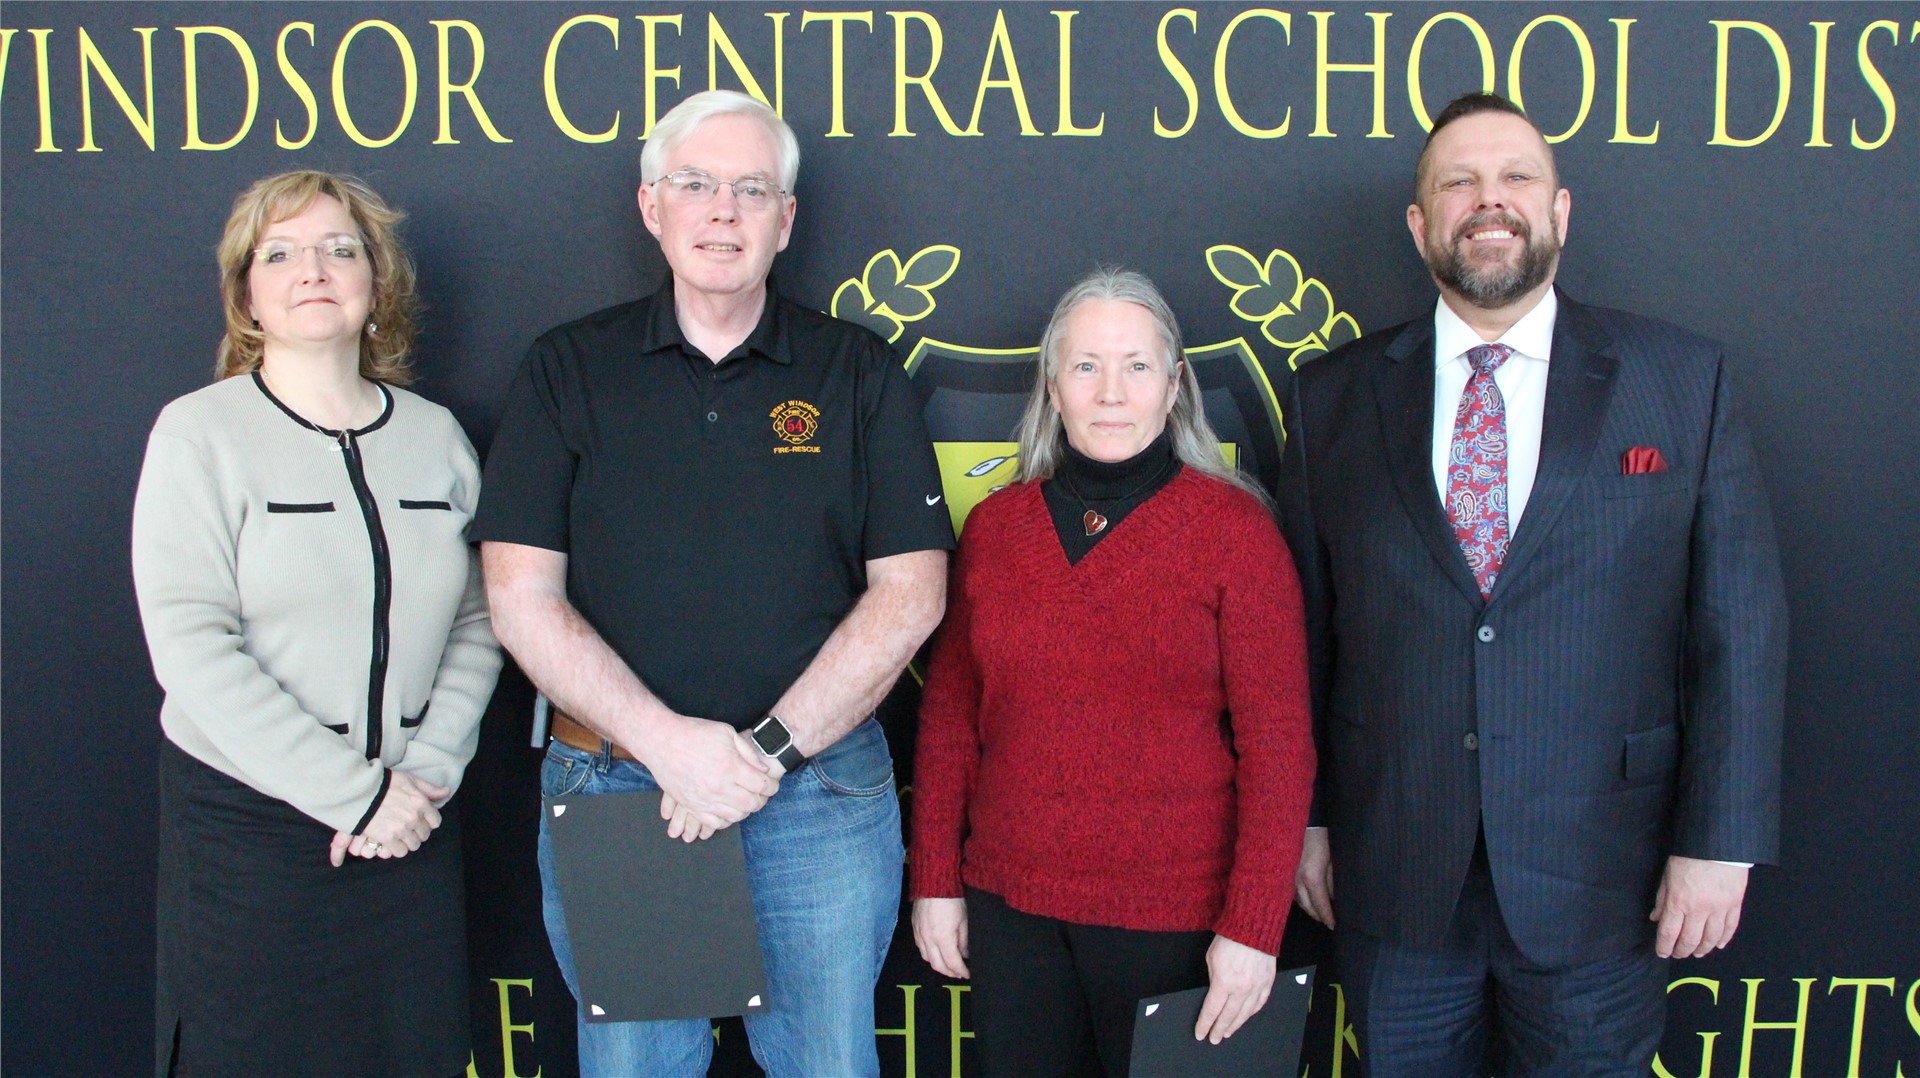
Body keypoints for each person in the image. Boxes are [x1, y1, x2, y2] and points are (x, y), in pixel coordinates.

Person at [1275, 92, 1787, 1074]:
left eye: (1516, 177)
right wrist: (1310, 817)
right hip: (1396, 877)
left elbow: (1738, 628)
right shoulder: (1330, 394)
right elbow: (1305, 635)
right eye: (1458, 182)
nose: (1488, 200)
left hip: (1603, 872)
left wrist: (1719, 840)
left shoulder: (1680, 380)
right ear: (1421, 225)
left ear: (1559, 212)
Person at [474, 89, 952, 1077]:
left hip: (816, 794)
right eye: (695, 184)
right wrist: (668, 747)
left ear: (787, 219)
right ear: (653, 207)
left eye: (751, 188)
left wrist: (758, 756)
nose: (723, 210)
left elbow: (912, 593)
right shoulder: (568, 369)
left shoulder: (857, 372)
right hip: (619, 790)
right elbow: (520, 596)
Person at [131, 170, 503, 1077]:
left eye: (342, 249)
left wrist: (422, 774)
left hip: (412, 818)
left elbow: (481, 615)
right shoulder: (198, 434)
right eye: (281, 252)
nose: (314, 269)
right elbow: (190, 645)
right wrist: (353, 796)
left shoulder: (435, 435)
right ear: (246, 292)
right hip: (251, 832)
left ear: (378, 283)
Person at [909, 267, 1316, 1077]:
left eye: (1136, 366)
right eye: (1086, 366)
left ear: (1174, 386)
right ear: (1053, 387)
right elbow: (950, 721)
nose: (1111, 392)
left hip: (1178, 920)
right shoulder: (996, 530)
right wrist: (934, 881)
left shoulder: (1236, 533)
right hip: (1011, 912)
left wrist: (1253, 926)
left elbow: (1279, 748)